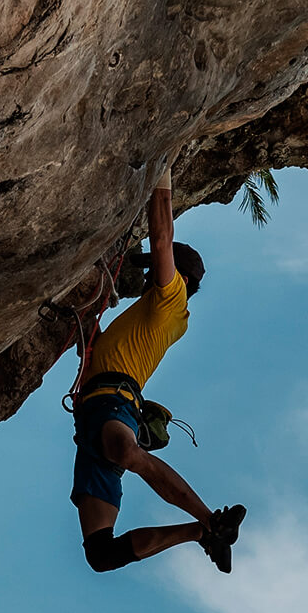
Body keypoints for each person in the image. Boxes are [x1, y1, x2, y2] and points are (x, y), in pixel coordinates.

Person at [70, 166, 245, 573]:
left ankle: (210, 519)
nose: (147, 274)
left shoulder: (172, 298)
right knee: (100, 554)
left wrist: (161, 171)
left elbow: (162, 236)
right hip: (96, 415)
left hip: (113, 404)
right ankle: (203, 533)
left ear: (176, 277)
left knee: (127, 452)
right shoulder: (156, 313)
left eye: (154, 269)